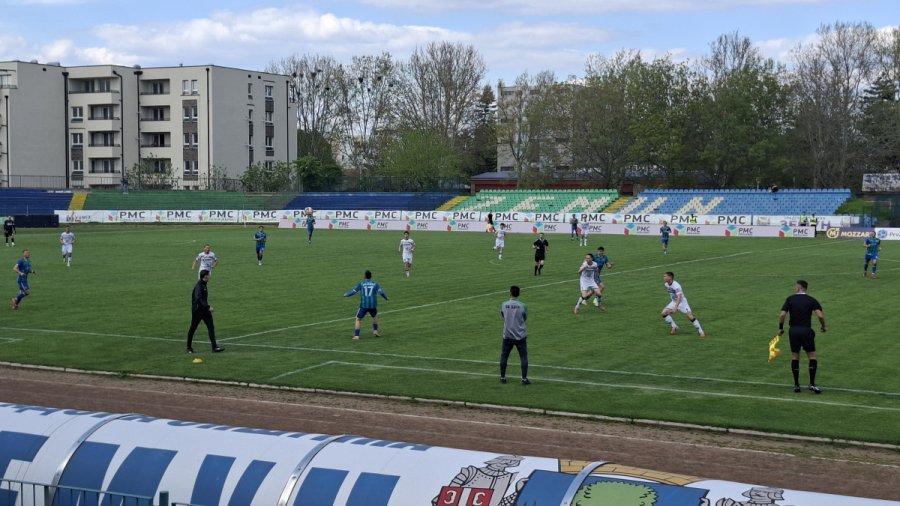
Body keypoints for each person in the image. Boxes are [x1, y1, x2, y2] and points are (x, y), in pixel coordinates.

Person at [778, 280, 826, 393]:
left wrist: (781, 328)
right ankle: (812, 384)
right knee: (812, 356)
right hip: (806, 330)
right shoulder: (811, 300)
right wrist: (823, 326)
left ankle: (796, 385)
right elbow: (820, 315)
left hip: (793, 331)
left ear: (799, 287)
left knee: (795, 356)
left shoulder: (790, 299)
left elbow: (782, 315)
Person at [343, 270, 388, 341]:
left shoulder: (361, 284)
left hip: (364, 305)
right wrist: (386, 298)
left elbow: (353, 292)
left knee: (358, 319)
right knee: (375, 316)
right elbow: (381, 292)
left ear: (364, 276)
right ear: (371, 276)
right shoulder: (375, 284)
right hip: (373, 305)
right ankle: (375, 331)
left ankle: (356, 336)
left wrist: (346, 295)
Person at [186, 270, 224, 353]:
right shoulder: (199, 286)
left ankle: (214, 347)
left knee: (211, 327)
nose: (209, 276)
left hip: (205, 310)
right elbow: (198, 299)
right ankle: (188, 348)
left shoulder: (204, 284)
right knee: (193, 328)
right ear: (205, 276)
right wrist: (208, 307)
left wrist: (206, 308)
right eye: (208, 275)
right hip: (197, 311)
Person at [499, 285, 529, 385]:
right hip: (520, 335)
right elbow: (524, 318)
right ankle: (524, 379)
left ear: (510, 293)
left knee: (504, 356)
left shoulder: (504, 304)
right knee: (523, 357)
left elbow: (503, 315)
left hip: (507, 334)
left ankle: (502, 377)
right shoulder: (523, 306)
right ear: (519, 294)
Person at [661, 272, 705, 337]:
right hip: (674, 302)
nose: (663, 278)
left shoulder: (676, 285)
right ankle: (674, 327)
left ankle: (701, 331)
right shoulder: (666, 284)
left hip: (682, 303)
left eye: (665, 276)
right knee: (664, 313)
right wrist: (674, 305)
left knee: (690, 316)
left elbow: (679, 297)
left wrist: (676, 307)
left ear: (670, 277)